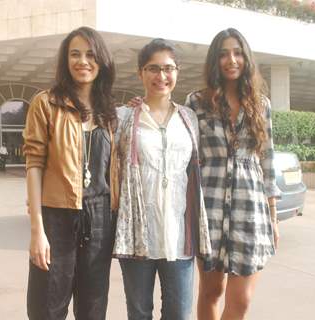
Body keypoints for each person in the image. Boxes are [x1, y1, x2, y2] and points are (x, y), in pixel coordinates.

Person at [185, 28, 281, 320]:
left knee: (241, 300)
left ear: (246, 58)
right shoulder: (197, 102)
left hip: (250, 208)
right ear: (215, 60)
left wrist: (273, 216)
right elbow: (187, 158)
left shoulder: (260, 104)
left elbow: (267, 158)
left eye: (237, 52)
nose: (231, 59)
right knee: (211, 292)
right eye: (224, 53)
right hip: (209, 208)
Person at [23, 26, 119, 320]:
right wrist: (38, 230)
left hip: (100, 218)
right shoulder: (46, 103)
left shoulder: (109, 110)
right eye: (75, 54)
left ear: (101, 61)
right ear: (65, 60)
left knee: (93, 308)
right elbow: (34, 165)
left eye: (90, 55)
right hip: (57, 216)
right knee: (47, 306)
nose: (83, 61)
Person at [113, 38, 211, 320]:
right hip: (138, 236)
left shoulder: (189, 118)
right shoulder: (124, 117)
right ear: (140, 73)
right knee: (139, 312)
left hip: (179, 234)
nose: (161, 76)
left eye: (168, 68)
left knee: (179, 313)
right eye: (153, 69)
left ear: (177, 72)